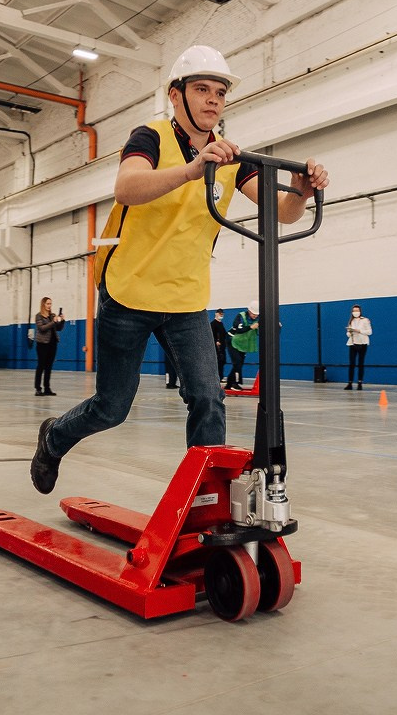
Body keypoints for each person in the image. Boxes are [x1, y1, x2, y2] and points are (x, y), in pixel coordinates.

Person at [30, 45, 329, 494]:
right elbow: (127, 187)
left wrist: (301, 192)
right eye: (202, 89)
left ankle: (205, 499)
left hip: (185, 298)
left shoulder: (231, 158)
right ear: (176, 95)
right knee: (112, 407)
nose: (213, 100)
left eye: (220, 93)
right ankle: (54, 438)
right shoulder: (149, 137)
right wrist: (191, 170)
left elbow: (282, 214)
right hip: (129, 291)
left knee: (208, 398)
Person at [33, 297, 65, 396]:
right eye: (47, 304)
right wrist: (53, 322)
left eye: (50, 304)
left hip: (52, 343)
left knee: (49, 366)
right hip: (42, 343)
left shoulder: (52, 315)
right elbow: (42, 328)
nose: (49, 306)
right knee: (41, 365)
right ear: (43, 304)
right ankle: (38, 389)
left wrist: (62, 321)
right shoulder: (39, 316)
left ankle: (47, 388)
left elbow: (58, 328)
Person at [226, 301, 259, 391]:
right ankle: (235, 384)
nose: (255, 316)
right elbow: (238, 329)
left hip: (243, 344)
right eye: (253, 314)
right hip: (232, 340)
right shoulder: (240, 316)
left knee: (239, 363)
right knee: (237, 362)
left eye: (257, 314)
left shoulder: (258, 319)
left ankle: (229, 383)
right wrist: (250, 327)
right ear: (249, 311)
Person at [344, 304, 373, 390]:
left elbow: (369, 332)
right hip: (353, 343)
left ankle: (360, 383)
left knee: (360, 363)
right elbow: (348, 334)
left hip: (362, 343)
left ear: (360, 311)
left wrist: (359, 331)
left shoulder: (365, 320)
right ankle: (350, 383)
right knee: (351, 363)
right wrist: (349, 332)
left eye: (357, 311)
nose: (355, 312)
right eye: (354, 311)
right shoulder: (351, 321)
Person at [210, 308, 229, 383]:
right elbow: (211, 335)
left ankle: (220, 377)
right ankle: (216, 378)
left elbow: (224, 334)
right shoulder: (213, 324)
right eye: (220, 314)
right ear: (216, 314)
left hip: (222, 347)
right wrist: (216, 342)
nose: (221, 315)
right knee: (218, 362)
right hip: (216, 348)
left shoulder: (221, 324)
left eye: (222, 314)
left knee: (222, 362)